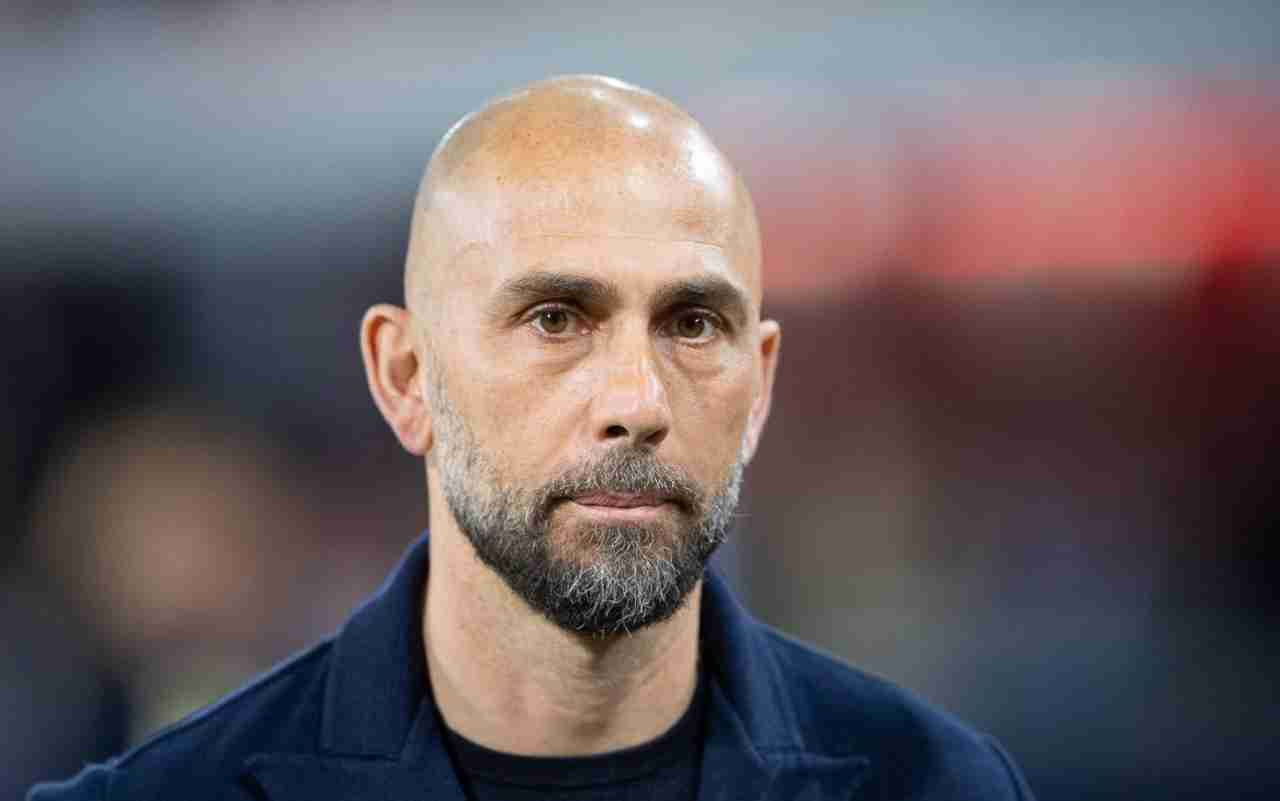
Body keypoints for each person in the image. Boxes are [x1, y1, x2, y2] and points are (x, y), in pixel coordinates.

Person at [30, 75, 1035, 801]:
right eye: (556, 319)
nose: (638, 400)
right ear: (405, 377)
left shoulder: (938, 785)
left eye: (692, 324)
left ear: (760, 384)